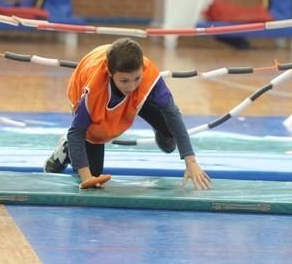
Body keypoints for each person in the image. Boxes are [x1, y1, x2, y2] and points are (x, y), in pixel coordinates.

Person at [44, 38, 212, 190]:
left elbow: (173, 113)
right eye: (124, 80)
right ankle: (66, 150)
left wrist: (190, 161)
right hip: (93, 93)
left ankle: (162, 133)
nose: (131, 86)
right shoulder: (94, 91)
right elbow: (76, 132)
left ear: (142, 69)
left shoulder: (149, 75)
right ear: (110, 74)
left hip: (133, 93)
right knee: (93, 168)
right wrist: (87, 178)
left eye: (137, 78)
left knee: (169, 138)